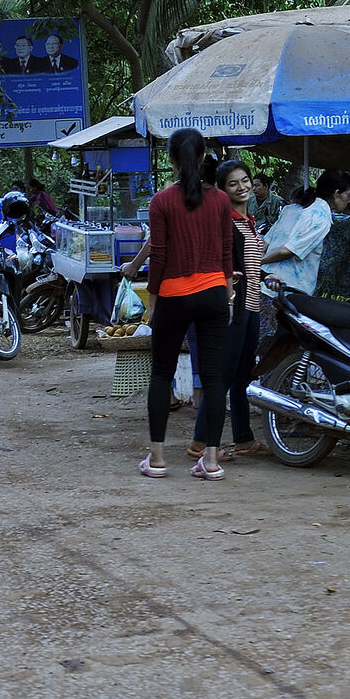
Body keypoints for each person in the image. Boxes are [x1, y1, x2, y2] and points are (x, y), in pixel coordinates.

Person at [140, 129, 233, 480]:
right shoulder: (221, 201)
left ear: (171, 159)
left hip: (174, 296)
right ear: (204, 155)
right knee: (213, 378)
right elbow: (225, 253)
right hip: (213, 295)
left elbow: (159, 257)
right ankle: (210, 461)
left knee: (161, 373)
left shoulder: (161, 201)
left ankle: (158, 459)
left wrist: (152, 302)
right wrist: (227, 295)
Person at [210, 159, 271, 460]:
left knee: (243, 375)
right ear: (222, 190)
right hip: (233, 307)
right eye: (233, 183)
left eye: (245, 180)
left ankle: (243, 439)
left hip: (252, 305)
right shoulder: (226, 223)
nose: (242, 187)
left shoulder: (248, 222)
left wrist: (265, 275)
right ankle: (205, 444)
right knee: (224, 374)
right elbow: (228, 266)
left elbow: (248, 266)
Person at [264, 170, 350, 296]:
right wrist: (258, 262)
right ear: (336, 193)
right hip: (285, 289)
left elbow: (265, 242)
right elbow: (288, 251)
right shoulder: (320, 217)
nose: (349, 200)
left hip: (265, 282)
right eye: (348, 194)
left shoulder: (290, 209)